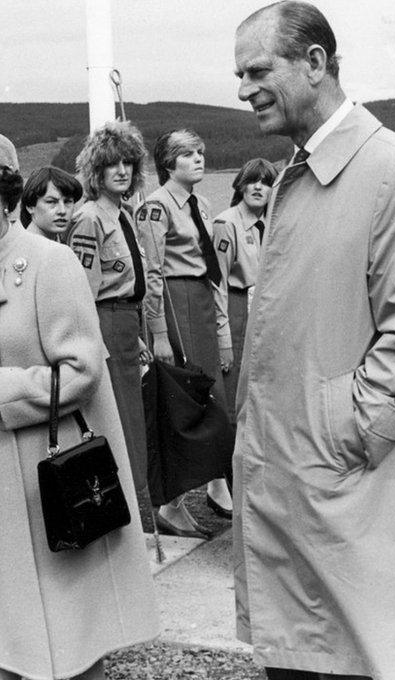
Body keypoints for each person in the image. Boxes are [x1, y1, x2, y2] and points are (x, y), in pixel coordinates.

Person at [231, 4, 395, 680]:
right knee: (305, 655)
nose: (243, 88)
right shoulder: (300, 170)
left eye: (258, 70)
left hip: (355, 480)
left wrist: (348, 429)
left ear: (315, 63)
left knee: (365, 652)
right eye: (240, 74)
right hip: (305, 480)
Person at [0, 127, 158, 680]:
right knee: (2, 633)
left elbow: (83, 370)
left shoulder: (51, 262)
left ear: (5, 193)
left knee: (70, 636)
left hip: (54, 469)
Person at [137, 128, 234, 534]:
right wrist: (159, 332)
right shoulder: (155, 208)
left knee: (216, 396)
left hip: (201, 297)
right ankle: (174, 503)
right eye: (188, 154)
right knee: (191, 398)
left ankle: (216, 483)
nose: (199, 159)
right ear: (168, 164)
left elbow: (212, 267)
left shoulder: (203, 204)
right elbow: (153, 273)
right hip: (177, 303)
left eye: (201, 151)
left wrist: (222, 326)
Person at [67, 120, 153, 500]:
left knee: (132, 414)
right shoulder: (89, 217)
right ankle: (128, 499)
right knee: (119, 417)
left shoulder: (123, 213)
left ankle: (137, 495)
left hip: (126, 322)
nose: (121, 171)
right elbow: (83, 291)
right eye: (111, 165)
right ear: (96, 172)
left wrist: (135, 333)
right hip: (105, 320)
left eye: (128, 164)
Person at [210, 158, 278, 421]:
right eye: (252, 181)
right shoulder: (226, 224)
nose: (259, 188)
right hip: (236, 310)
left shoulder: (273, 223)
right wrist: (224, 337)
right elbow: (218, 283)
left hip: (264, 309)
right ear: (241, 186)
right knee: (235, 386)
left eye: (266, 183)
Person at [19, 165, 83, 240]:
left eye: (67, 202)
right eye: (51, 202)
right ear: (30, 206)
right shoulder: (20, 247)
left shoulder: (59, 245)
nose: (62, 211)